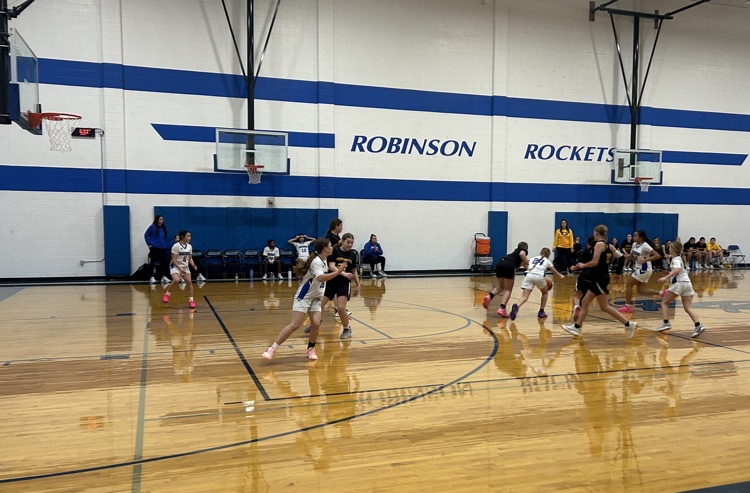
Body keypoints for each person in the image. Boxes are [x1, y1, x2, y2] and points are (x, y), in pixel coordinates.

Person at [261, 238, 346, 361]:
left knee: (316, 324)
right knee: (295, 325)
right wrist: (338, 272)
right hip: (304, 296)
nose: (332, 248)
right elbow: (321, 278)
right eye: (330, 246)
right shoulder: (316, 262)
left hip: (316, 298)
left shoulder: (324, 259)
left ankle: (310, 349)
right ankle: (272, 348)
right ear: (324, 249)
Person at [562, 224, 637, 338]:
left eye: (594, 233)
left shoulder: (599, 244)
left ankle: (629, 324)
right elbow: (621, 257)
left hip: (599, 277)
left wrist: (582, 265)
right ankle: (576, 327)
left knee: (604, 306)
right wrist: (617, 272)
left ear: (596, 233)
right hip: (600, 277)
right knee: (586, 302)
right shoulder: (609, 246)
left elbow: (594, 262)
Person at [656, 240, 705, 338]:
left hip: (679, 284)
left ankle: (666, 323)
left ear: (674, 249)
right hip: (687, 284)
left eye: (670, 247)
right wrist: (669, 273)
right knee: (688, 307)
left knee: (664, 303)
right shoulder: (679, 258)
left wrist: (666, 277)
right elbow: (678, 270)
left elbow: (677, 269)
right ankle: (698, 325)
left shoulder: (676, 260)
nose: (669, 249)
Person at [509, 248, 565, 321]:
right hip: (539, 277)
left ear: (540, 252)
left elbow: (522, 263)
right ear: (548, 255)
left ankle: (516, 306)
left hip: (529, 275)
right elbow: (555, 273)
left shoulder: (533, 258)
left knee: (524, 296)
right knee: (545, 293)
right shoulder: (547, 261)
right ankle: (541, 311)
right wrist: (561, 276)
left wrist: (528, 268)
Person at [322, 233, 360, 339]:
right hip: (331, 281)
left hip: (344, 283)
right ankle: (314, 324)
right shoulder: (334, 251)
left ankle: (347, 329)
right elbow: (331, 266)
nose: (350, 244)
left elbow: (354, 270)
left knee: (340, 308)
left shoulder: (352, 254)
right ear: (342, 241)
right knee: (319, 306)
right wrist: (343, 273)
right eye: (348, 242)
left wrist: (358, 284)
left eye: (352, 243)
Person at [618, 230, 662, 313]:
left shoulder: (645, 245)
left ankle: (628, 306)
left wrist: (646, 259)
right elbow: (632, 256)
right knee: (641, 291)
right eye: (633, 235)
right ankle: (662, 293)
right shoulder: (634, 244)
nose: (633, 237)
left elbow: (657, 255)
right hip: (639, 268)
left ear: (641, 237)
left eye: (635, 236)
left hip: (644, 268)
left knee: (629, 284)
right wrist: (624, 256)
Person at [482, 242, 529, 317]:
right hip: (509, 265)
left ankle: (489, 296)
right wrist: (528, 262)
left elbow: (526, 266)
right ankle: (502, 308)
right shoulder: (522, 251)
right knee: (508, 289)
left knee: (501, 286)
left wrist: (531, 269)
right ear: (525, 248)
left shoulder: (514, 255)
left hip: (500, 263)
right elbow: (522, 254)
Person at [163, 230, 197, 309]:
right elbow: (173, 259)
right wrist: (180, 269)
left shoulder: (189, 246)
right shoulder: (176, 246)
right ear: (182, 236)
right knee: (176, 280)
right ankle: (167, 294)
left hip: (185, 267)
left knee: (189, 282)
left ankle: (191, 301)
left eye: (190, 236)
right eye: (188, 236)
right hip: (175, 266)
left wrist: (193, 265)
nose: (190, 237)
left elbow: (190, 258)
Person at [144, 215, 170, 284]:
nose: (162, 220)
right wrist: (150, 244)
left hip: (163, 248)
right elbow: (146, 235)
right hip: (154, 247)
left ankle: (163, 276)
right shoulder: (152, 227)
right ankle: (151, 277)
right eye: (160, 219)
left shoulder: (163, 228)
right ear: (157, 219)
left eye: (162, 219)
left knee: (163, 263)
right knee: (152, 262)